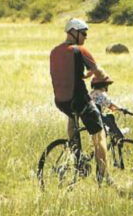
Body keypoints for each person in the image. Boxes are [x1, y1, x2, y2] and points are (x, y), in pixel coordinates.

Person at [49, 18, 110, 183]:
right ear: (74, 32)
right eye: (83, 33)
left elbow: (67, 72)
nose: (85, 37)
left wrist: (84, 75)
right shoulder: (80, 50)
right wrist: (102, 75)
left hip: (61, 101)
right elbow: (99, 72)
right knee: (99, 134)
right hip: (79, 98)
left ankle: (77, 157)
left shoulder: (54, 51)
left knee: (72, 117)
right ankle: (104, 176)